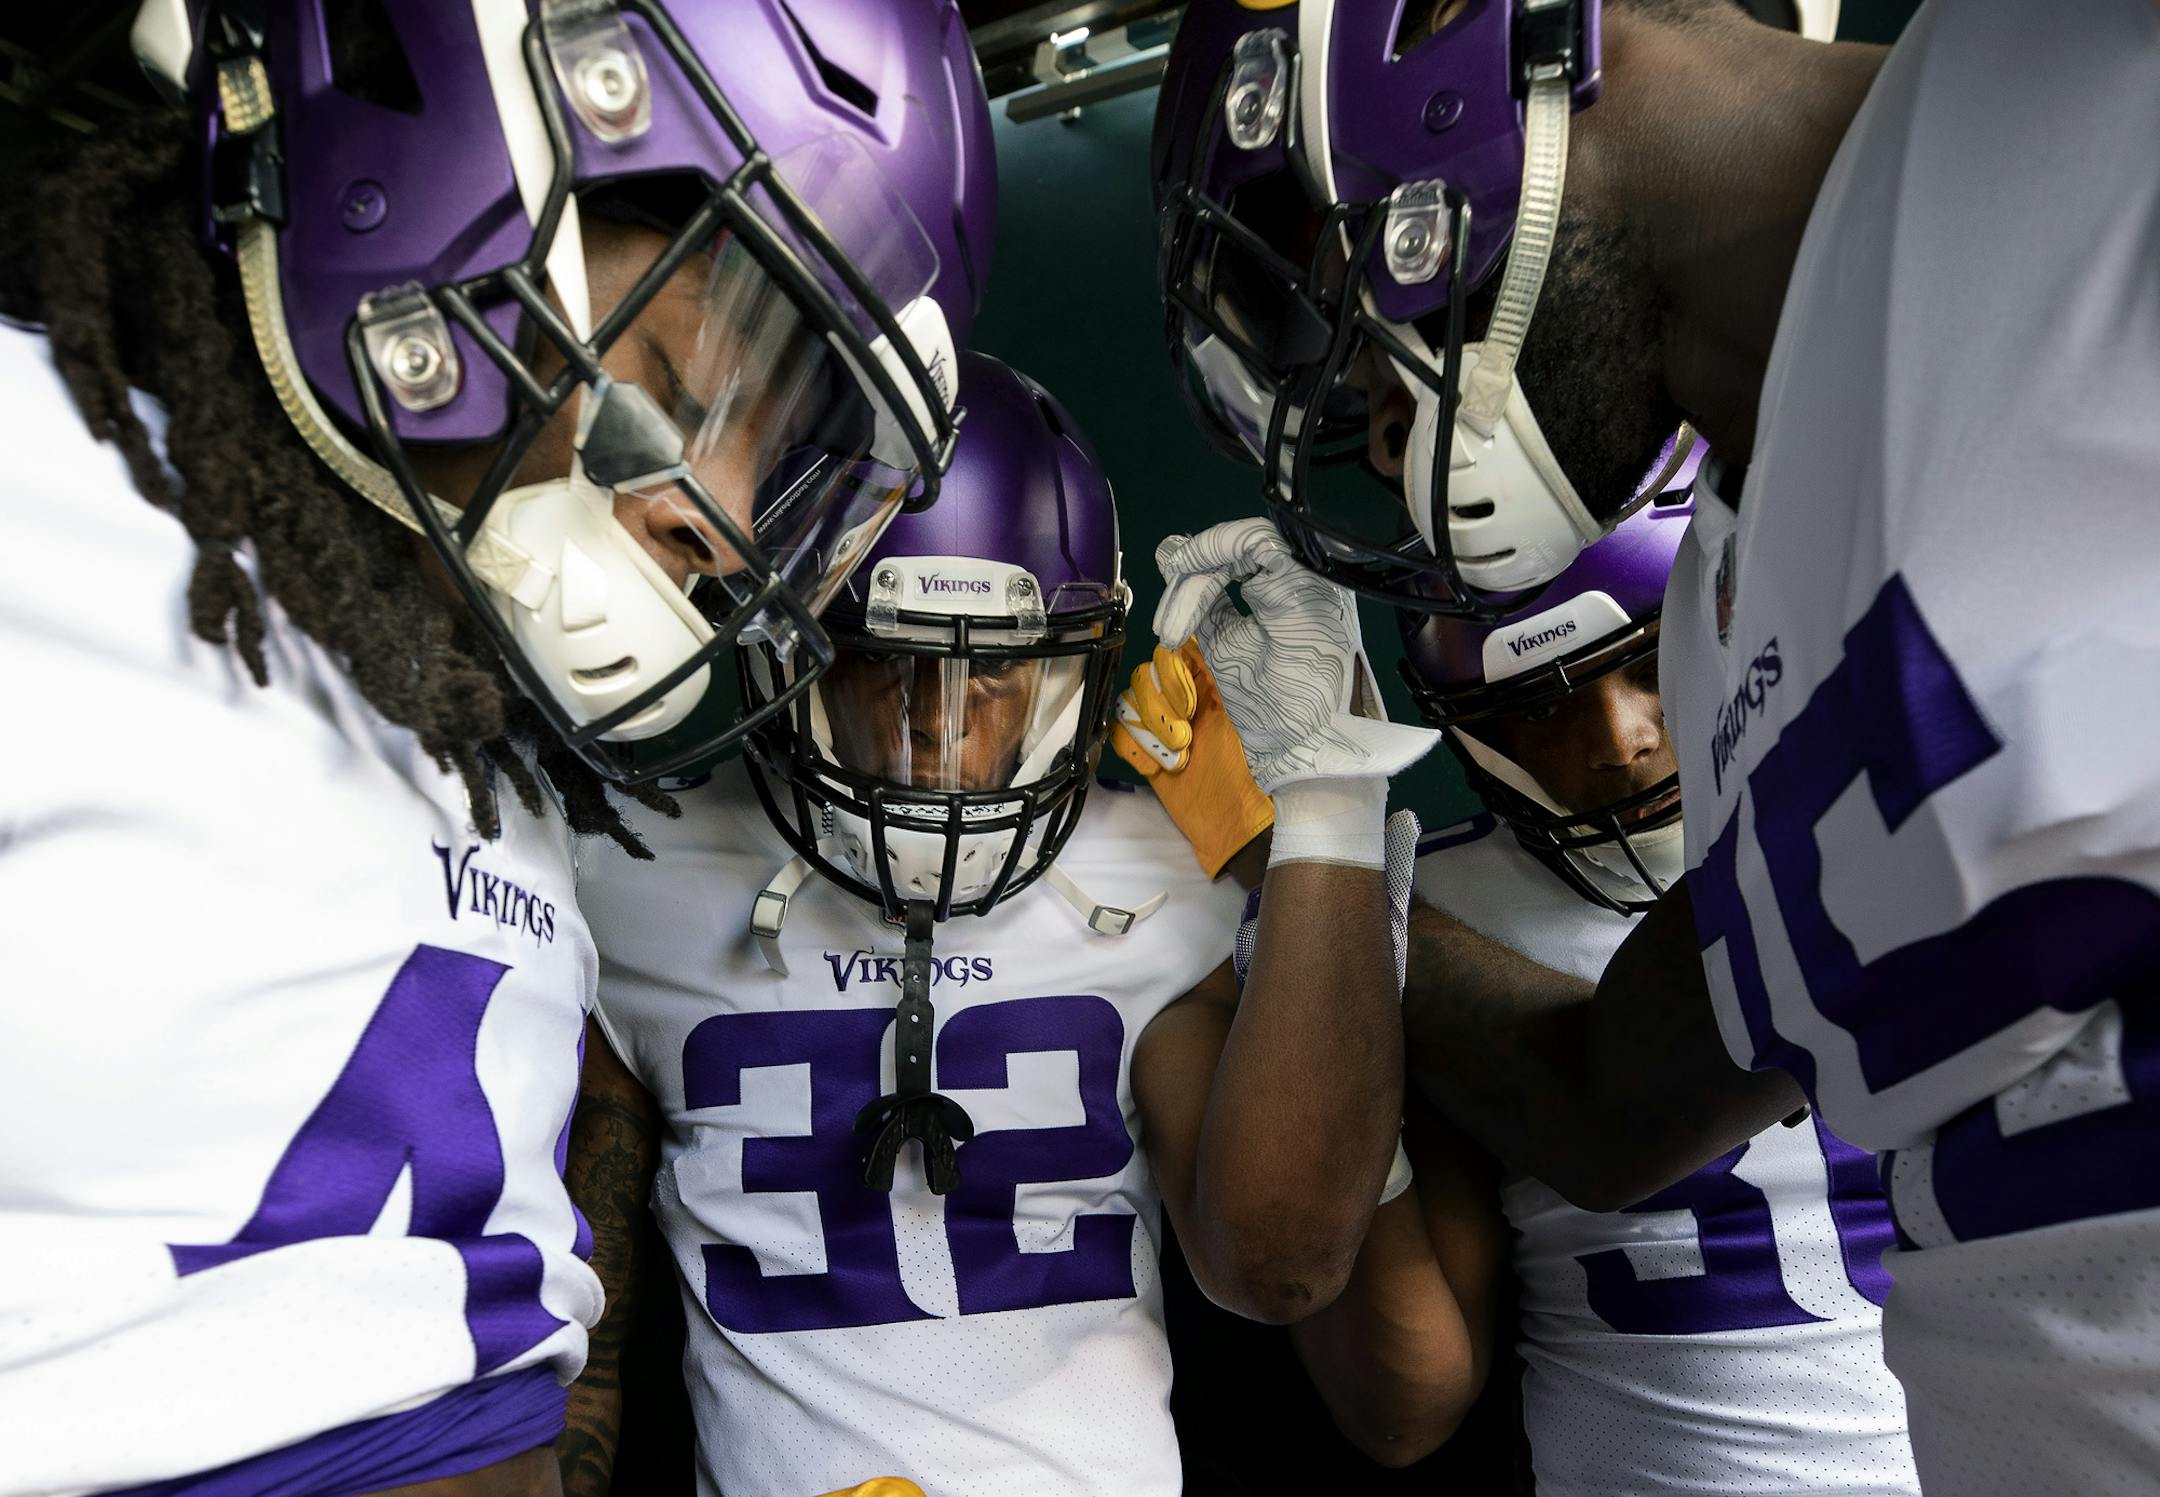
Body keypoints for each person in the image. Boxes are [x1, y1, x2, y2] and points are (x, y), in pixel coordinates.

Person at [1151, 0, 2160, 1489]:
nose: (1382, 435)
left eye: (1373, 333)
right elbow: (1610, 1107)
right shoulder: (1725, 607)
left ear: (1452, 70)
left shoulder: (2075, 89)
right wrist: (1310, 826)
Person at [0, 0, 991, 1491]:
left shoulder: (486, 746)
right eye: (703, 367)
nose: (713, 521)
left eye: (775, 448)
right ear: (463, 141)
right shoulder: (41, 481)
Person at [568, 351, 1432, 1497]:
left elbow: (1279, 1267)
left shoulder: (1166, 881)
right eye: (889, 664)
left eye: (995, 676)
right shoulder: (628, 875)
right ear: (788, 645)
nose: (938, 730)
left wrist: (1318, 818)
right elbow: (574, 1357)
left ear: (1081, 661)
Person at [1288, 482, 1919, 1493]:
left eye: (1644, 660)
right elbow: (1401, 1405)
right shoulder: (1429, 902)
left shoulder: (1888, 819)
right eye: (1538, 702)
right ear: (1461, 726)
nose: (1620, 741)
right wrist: (1315, 889)